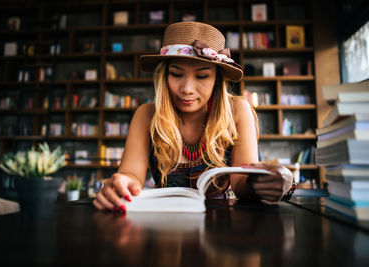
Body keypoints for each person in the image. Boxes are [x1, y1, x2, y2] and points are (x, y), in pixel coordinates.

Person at [93, 22, 293, 212]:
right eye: (176, 74)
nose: (187, 89)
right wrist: (122, 183)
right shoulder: (146, 115)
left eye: (201, 76)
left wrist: (265, 182)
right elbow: (131, 175)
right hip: (164, 229)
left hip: (222, 229)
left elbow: (241, 183)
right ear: (164, 75)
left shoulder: (238, 110)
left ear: (217, 79)